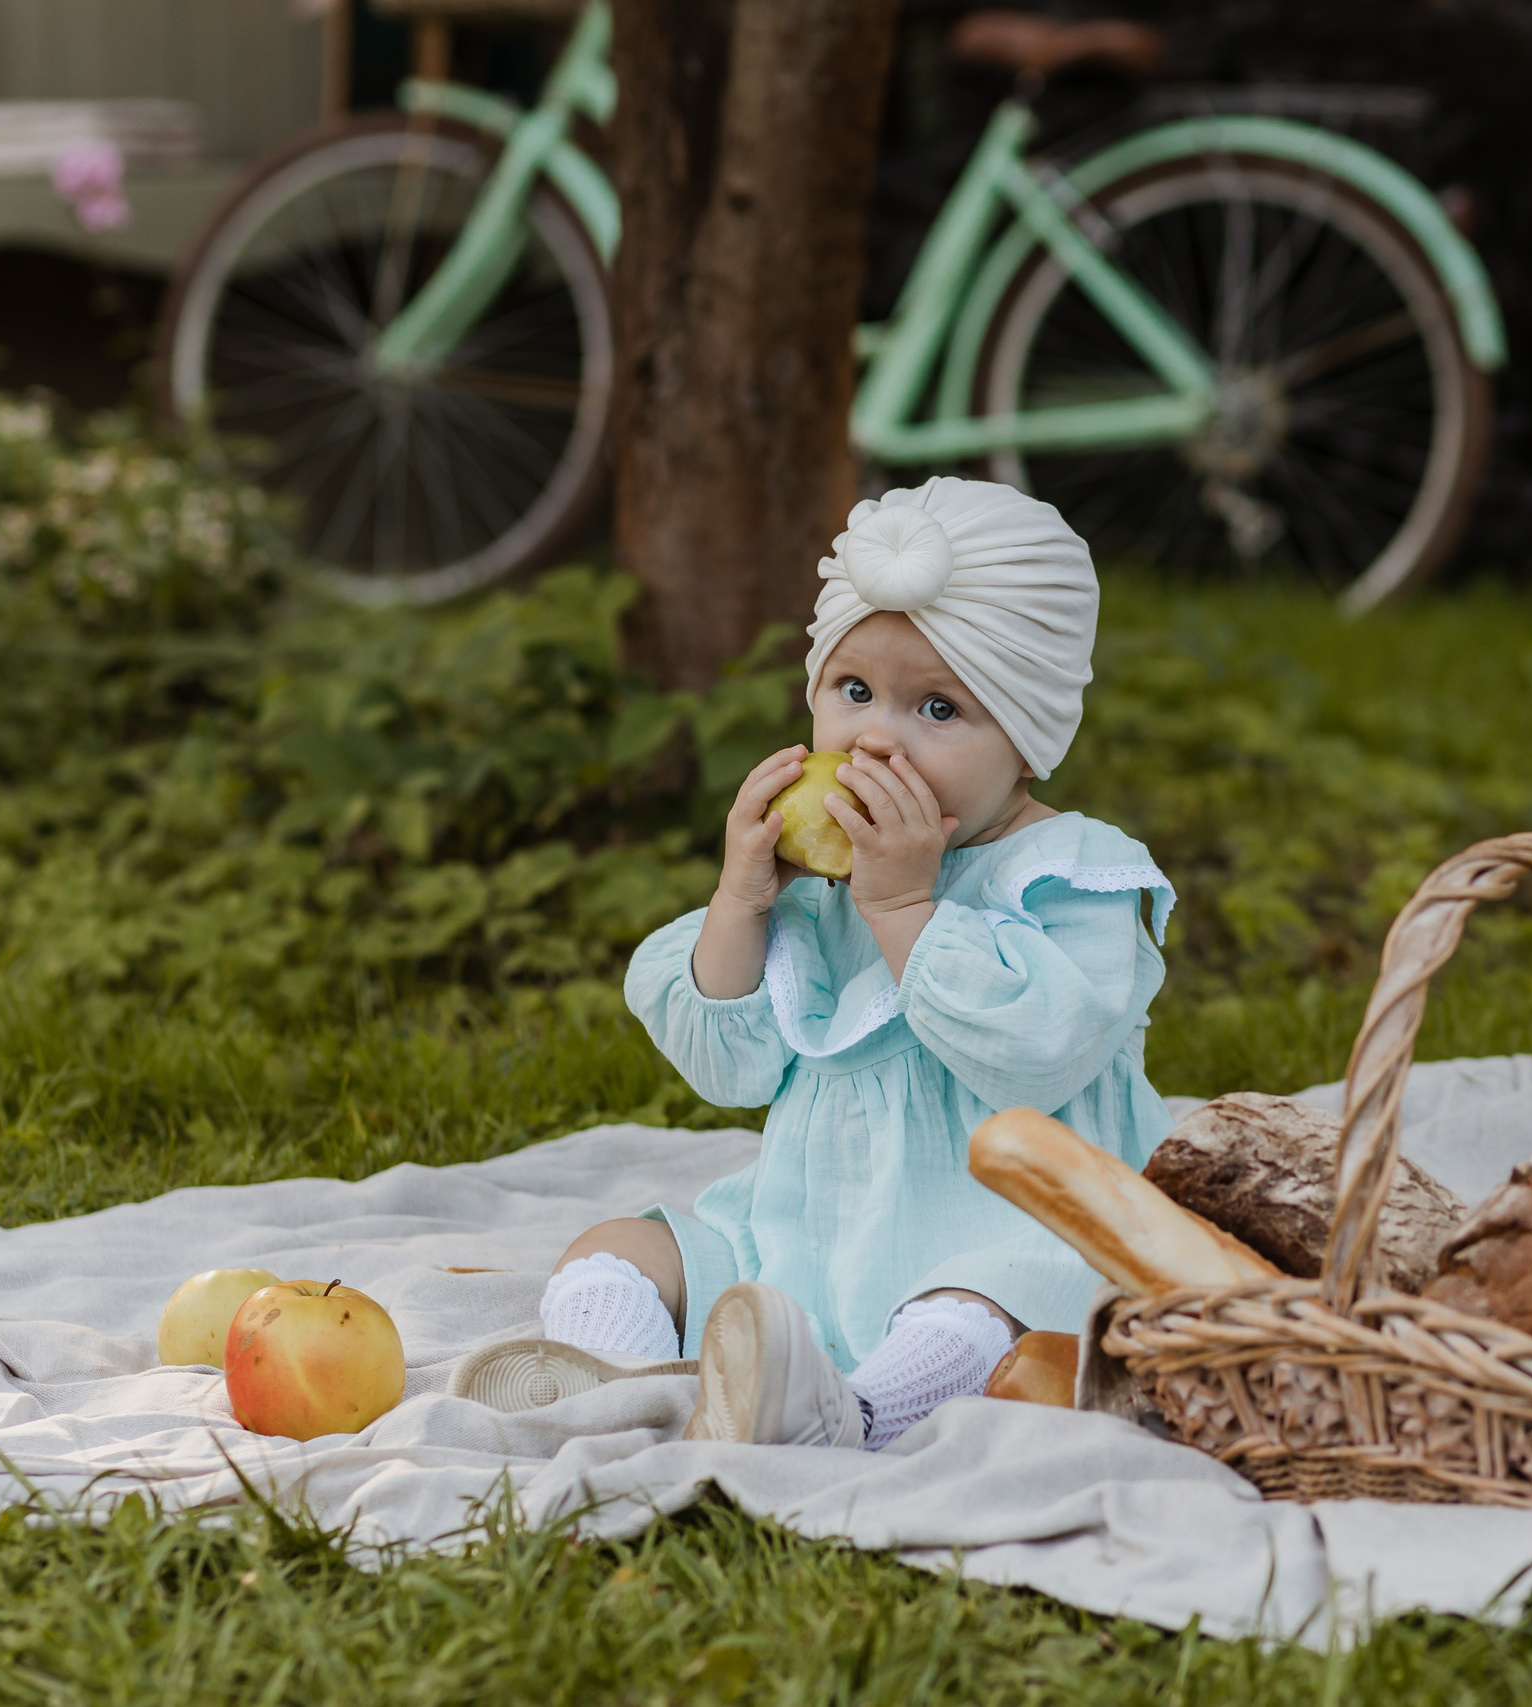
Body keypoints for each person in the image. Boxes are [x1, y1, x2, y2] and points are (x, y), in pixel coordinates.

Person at [491, 477, 1175, 1449]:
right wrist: (740, 902)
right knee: (623, 1249)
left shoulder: (1072, 875)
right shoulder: (817, 881)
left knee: (977, 1311)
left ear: (1027, 739)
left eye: (936, 707)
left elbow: (1038, 1057)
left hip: (1009, 1233)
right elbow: (729, 1068)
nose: (875, 736)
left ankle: (849, 1417)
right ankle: (632, 1393)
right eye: (852, 692)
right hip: (808, 1233)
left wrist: (902, 907)